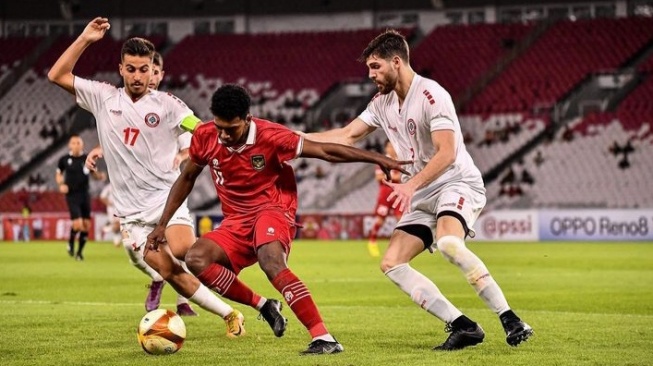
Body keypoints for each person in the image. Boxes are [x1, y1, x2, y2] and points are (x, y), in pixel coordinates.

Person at [47, 17, 283, 337]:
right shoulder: (103, 98)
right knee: (168, 271)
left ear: (152, 70)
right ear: (121, 69)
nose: (137, 76)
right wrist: (86, 39)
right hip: (131, 214)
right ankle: (245, 310)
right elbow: (56, 75)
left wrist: (228, 143)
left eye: (144, 69)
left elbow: (199, 128)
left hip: (165, 201)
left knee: (187, 252)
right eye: (131, 69)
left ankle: (236, 251)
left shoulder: (168, 104)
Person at [303, 29, 533, 351]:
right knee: (392, 263)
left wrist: (410, 184)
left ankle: (509, 317)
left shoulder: (431, 95)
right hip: (423, 193)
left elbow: (447, 152)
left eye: (375, 67)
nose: (370, 75)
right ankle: (463, 326)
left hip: (455, 181)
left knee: (450, 243)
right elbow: (347, 135)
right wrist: (295, 140)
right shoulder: (381, 103)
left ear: (396, 62)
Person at [146, 84, 409, 355]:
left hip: (272, 209)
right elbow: (187, 177)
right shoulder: (205, 135)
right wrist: (162, 224)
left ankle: (324, 337)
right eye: (219, 127)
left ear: (247, 119)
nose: (223, 135)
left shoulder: (271, 135)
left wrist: (377, 158)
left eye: (231, 129)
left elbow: (325, 151)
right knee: (196, 258)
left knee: (271, 261)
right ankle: (264, 305)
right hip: (236, 219)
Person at [87, 51, 199, 316]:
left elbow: (191, 144)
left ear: (158, 74)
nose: (146, 78)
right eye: (134, 70)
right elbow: (125, 139)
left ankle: (184, 300)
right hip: (134, 200)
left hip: (167, 194)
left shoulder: (170, 108)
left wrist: (180, 156)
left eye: (152, 72)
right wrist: (101, 148)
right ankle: (159, 278)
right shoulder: (125, 107)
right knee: (134, 248)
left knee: (181, 250)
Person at [56, 134, 105, 260]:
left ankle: (79, 253)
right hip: (72, 195)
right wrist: (61, 184)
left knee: (86, 225)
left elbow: (94, 174)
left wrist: (99, 176)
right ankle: (71, 243)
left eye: (78, 143)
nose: (76, 145)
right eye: (73, 143)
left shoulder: (87, 158)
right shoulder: (64, 159)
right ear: (69, 145)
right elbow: (59, 175)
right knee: (77, 225)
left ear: (82, 145)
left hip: (85, 194)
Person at [367, 140, 402, 257]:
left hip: (398, 193)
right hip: (385, 194)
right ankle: (372, 241)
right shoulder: (382, 160)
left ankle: (400, 245)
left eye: (394, 146)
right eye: (390, 146)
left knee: (401, 220)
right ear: (386, 148)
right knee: (380, 219)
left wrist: (391, 177)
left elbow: (405, 177)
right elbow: (379, 177)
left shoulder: (401, 160)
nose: (392, 148)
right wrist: (396, 177)